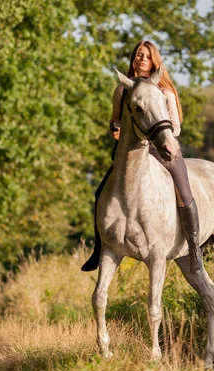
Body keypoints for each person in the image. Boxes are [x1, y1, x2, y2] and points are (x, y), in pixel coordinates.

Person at [81, 40, 203, 274]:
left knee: (183, 191)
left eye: (147, 55)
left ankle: (194, 249)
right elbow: (115, 118)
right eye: (138, 55)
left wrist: (160, 137)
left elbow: (175, 127)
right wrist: (114, 127)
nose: (142, 59)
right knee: (100, 192)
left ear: (154, 60)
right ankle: (99, 248)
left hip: (162, 151)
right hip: (132, 155)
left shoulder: (164, 92)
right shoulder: (122, 91)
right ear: (133, 60)